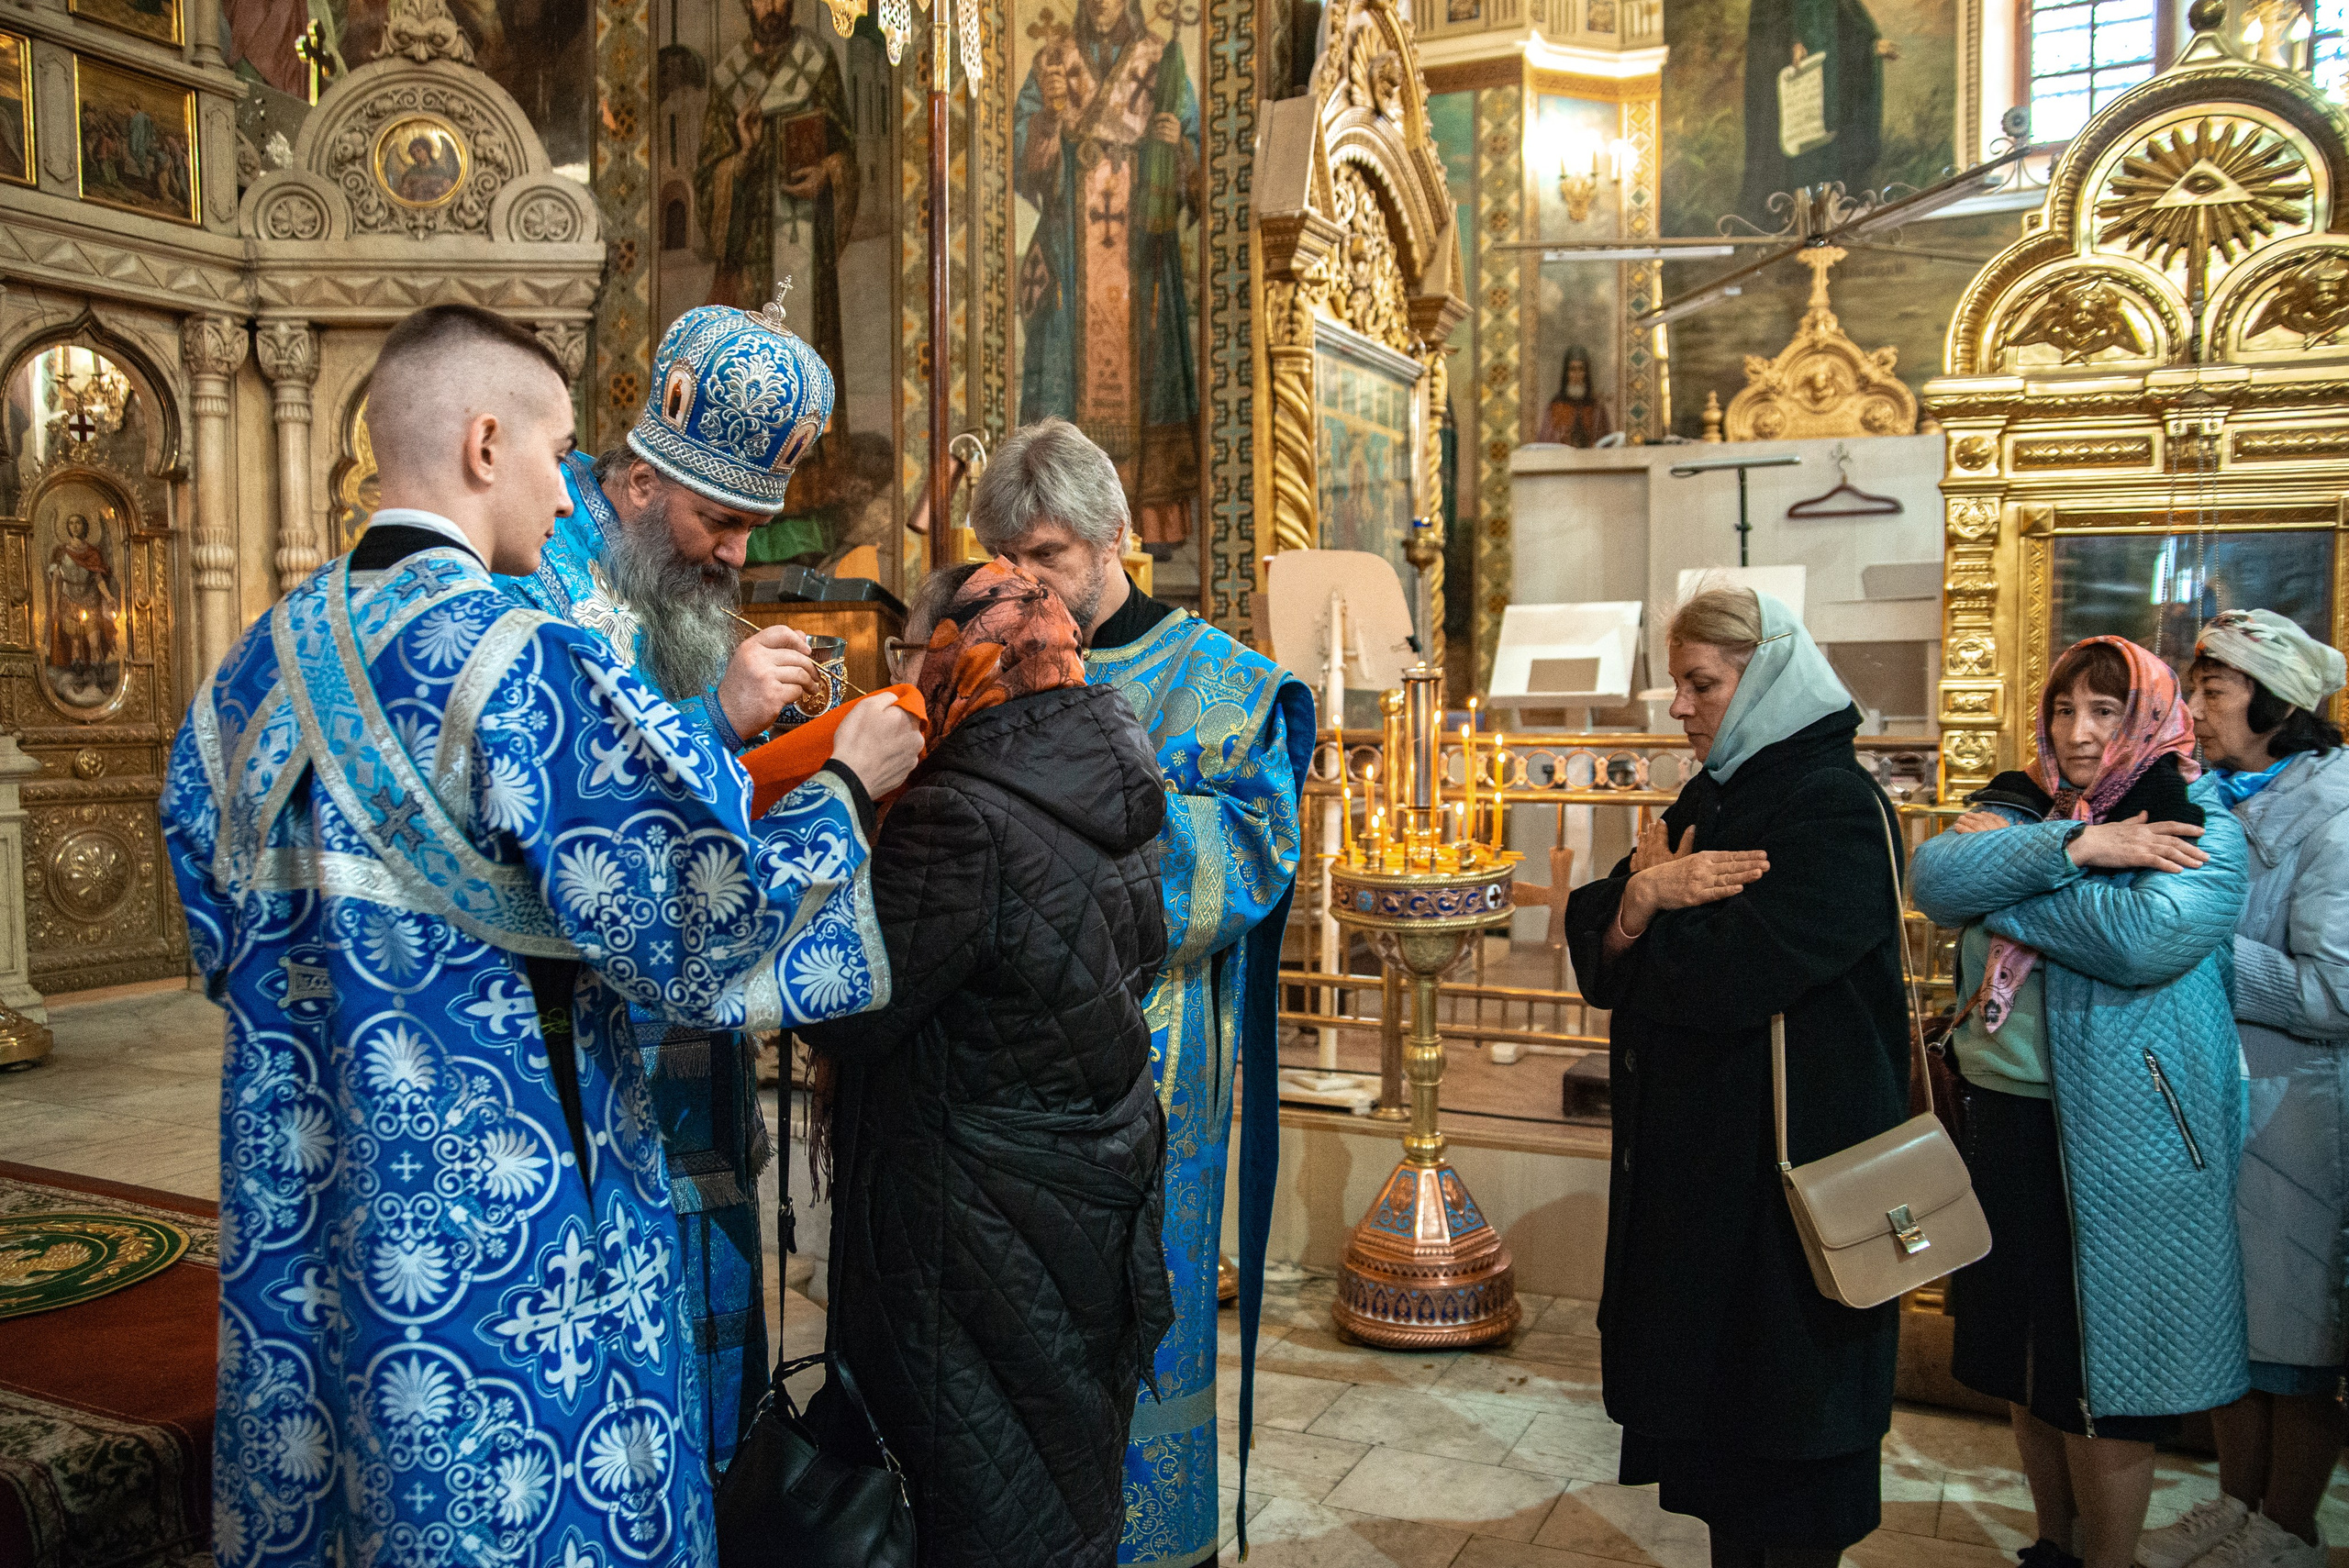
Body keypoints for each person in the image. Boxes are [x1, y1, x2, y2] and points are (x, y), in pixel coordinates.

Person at [160, 304, 920, 1564]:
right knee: (520, 1485)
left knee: (349, 1474)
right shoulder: (519, 657)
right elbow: (691, 920)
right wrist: (843, 788)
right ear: (483, 444)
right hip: (500, 1195)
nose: (572, 494)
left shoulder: (255, 660)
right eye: (560, 452)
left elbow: (207, 909)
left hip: (310, 1181)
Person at [496, 292, 910, 1470]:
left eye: (750, 526)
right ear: (639, 484)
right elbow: (585, 828)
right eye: (719, 520)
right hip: (593, 1046)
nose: (737, 555)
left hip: (693, 1027)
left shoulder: (657, 578)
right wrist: (723, 717)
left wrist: (756, 739)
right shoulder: (539, 581)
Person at [972, 417, 1311, 1568]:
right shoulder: (982, 662)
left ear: (1116, 535)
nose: (1027, 585)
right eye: (1007, 558)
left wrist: (1061, 849)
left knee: (1140, 1309)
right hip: (1002, 1074)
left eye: (1051, 556)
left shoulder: (1225, 685)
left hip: (1151, 1061)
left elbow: (1254, 857)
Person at [800, 559, 1175, 1567]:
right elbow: (1137, 956)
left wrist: (838, 804)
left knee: (973, 1496)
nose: (904, 681)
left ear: (959, 658)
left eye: (911, 655)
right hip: (1085, 1190)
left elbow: (847, 1010)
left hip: (970, 1226)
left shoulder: (952, 811)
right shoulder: (1113, 771)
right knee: (1060, 1478)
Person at [1561, 585, 1909, 1568]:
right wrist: (1642, 896)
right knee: (1731, 1473)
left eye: (1701, 683)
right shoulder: (1725, 790)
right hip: (1719, 1190)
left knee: (1787, 1475)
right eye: (1678, 683)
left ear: (1765, 677)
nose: (1680, 706)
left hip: (1789, 1197)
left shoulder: (1832, 805)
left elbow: (1727, 974)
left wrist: (1646, 917)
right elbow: (1599, 921)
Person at [1909, 635, 2250, 1568]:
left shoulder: (2198, 821)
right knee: (2026, 1360)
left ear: (2149, 716)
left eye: (2105, 710)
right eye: (2064, 709)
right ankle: (2051, 1545)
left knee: (2106, 1375)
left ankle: (2109, 1558)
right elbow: (1932, 879)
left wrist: (2005, 885)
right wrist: (2079, 843)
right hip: (2006, 1113)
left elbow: (2138, 940)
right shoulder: (2033, 805)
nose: (2079, 731)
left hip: (2127, 1135)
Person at [2138, 612, 2347, 1568]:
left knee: (2295, 1340)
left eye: (2214, 689)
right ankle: (2233, 1508)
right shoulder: (2206, 796)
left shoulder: (2333, 809)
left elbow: (2334, 990)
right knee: (2230, 1326)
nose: (2195, 707)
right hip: (2211, 1094)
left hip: (2298, 1110)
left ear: (2274, 703)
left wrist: (2195, 943)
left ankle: (2286, 1526)